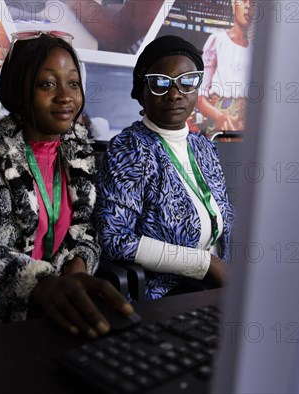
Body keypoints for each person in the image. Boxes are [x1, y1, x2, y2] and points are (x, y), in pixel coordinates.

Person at [0, 32, 132, 393]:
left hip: (49, 308)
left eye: (73, 83)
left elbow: (85, 231)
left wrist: (75, 273)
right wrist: (37, 286)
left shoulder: (79, 151)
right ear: (20, 89)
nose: (66, 97)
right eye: (48, 84)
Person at [95, 35, 234, 299]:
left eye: (187, 82)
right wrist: (207, 264)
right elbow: (115, 238)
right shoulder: (130, 148)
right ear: (141, 91)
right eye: (160, 83)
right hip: (162, 292)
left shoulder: (203, 147)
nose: (174, 94)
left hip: (215, 286)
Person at [196, 0, 255, 131]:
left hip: (245, 124)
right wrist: (219, 117)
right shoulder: (218, 41)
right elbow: (199, 95)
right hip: (220, 121)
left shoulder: (254, 50)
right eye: (244, 1)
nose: (248, 7)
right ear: (233, 6)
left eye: (253, 3)